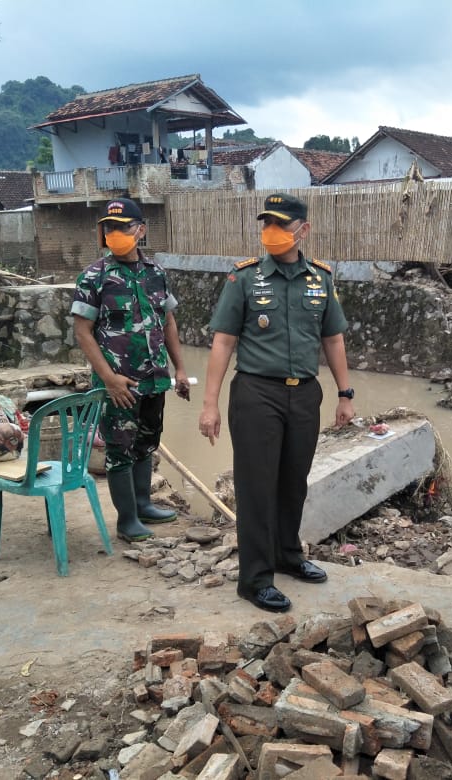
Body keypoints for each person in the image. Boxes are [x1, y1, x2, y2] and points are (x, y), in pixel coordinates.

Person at [198, 193, 355, 613]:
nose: (271, 232)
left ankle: (289, 556)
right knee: (256, 487)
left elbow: (333, 338)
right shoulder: (245, 278)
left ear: (303, 230)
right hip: (256, 393)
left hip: (304, 393)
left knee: (292, 482)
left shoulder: (321, 278)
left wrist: (345, 393)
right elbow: (223, 342)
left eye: (280, 225)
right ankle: (254, 579)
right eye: (266, 223)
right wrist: (210, 405)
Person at [71, 197, 191, 543]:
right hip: (118, 383)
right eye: (108, 227)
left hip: (154, 379)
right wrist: (108, 379)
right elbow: (82, 332)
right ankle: (126, 521)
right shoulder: (95, 277)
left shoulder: (155, 274)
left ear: (140, 230)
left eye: (122, 227)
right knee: (119, 449)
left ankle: (143, 505)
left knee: (146, 442)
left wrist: (180, 369)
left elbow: (168, 322)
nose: (114, 233)